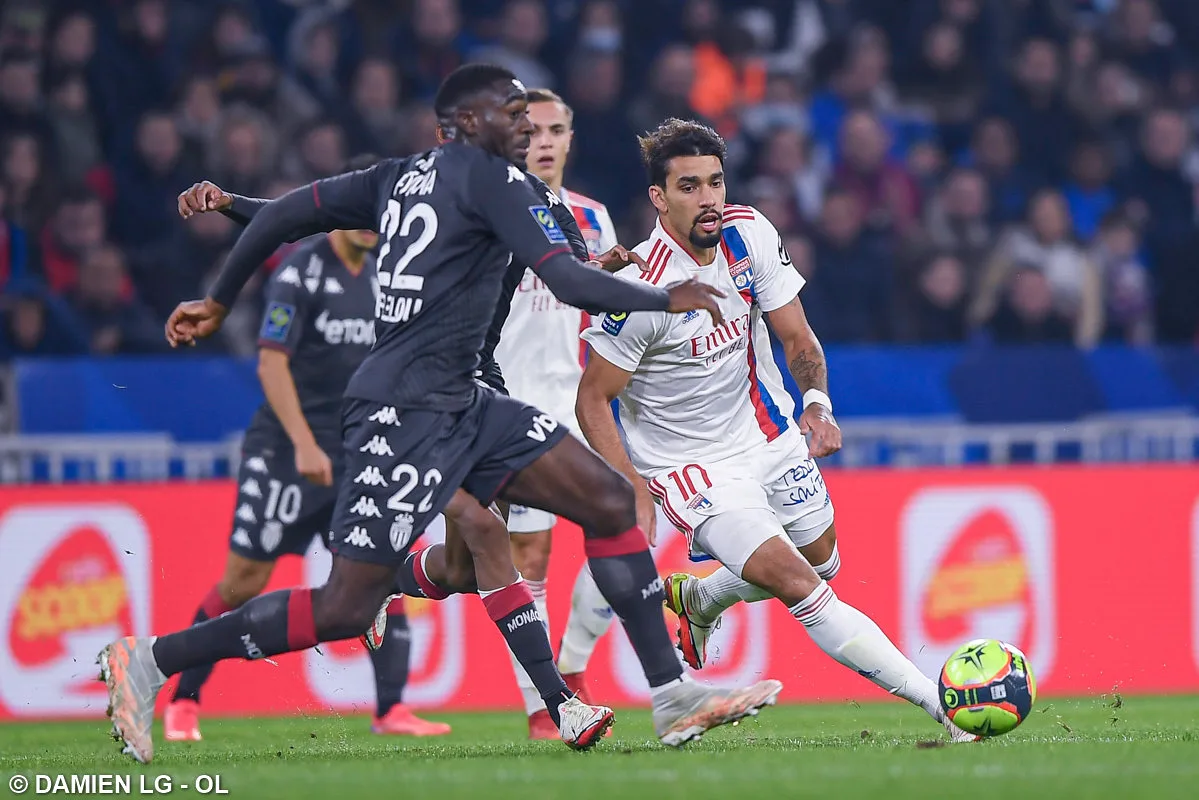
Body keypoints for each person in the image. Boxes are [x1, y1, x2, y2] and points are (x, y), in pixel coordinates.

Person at [98, 64, 782, 765]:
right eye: (510, 113)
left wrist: (219, 295)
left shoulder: (398, 178)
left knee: (607, 500)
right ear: (462, 125)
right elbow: (567, 281)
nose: (523, 125)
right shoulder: (495, 181)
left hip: (466, 398)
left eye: (531, 115)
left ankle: (670, 695)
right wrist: (668, 297)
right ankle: (150, 660)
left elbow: (279, 214)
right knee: (341, 610)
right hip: (402, 411)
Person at [573, 118, 978, 744]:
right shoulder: (640, 289)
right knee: (802, 586)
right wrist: (630, 483)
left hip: (768, 435)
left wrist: (818, 404)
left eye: (714, 182)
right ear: (659, 198)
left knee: (826, 561)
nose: (708, 199)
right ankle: (942, 704)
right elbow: (592, 398)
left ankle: (701, 600)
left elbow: (798, 338)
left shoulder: (748, 233)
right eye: (689, 187)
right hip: (693, 469)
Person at [162, 158, 451, 741]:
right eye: (362, 214)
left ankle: (391, 710)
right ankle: (183, 701)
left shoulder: (390, 272)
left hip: (355, 450)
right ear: (341, 214)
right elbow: (272, 365)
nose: (372, 225)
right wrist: (301, 445)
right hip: (286, 449)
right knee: (243, 581)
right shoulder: (300, 273)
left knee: (380, 569)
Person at [493, 87, 621, 739]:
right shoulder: (491, 212)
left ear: (571, 138)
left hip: (579, 405)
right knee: (526, 555)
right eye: (531, 130)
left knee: (629, 533)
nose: (543, 141)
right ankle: (543, 707)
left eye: (554, 130)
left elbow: (613, 318)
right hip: (509, 408)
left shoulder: (594, 218)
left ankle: (569, 669)